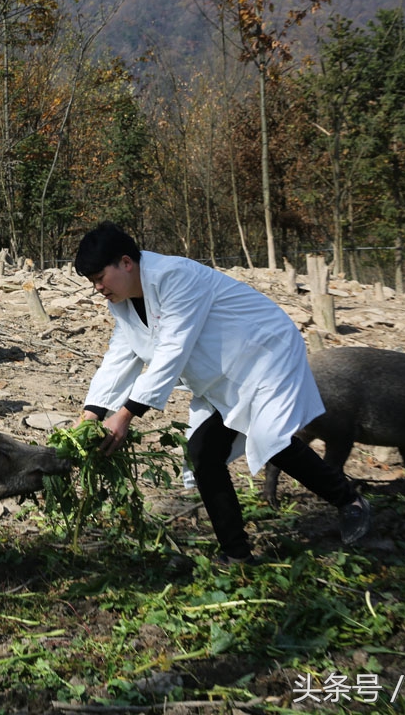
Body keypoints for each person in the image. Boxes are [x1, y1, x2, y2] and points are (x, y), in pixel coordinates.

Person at [75, 222, 370, 563]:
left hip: (264, 355)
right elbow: (120, 355)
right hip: (223, 374)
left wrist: (125, 415)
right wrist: (91, 416)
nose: (97, 288)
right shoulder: (123, 301)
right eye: (92, 282)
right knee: (203, 453)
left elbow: (172, 349)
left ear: (126, 262)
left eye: (100, 277)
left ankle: (350, 500)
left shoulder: (174, 277)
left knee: (271, 440)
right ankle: (237, 555)